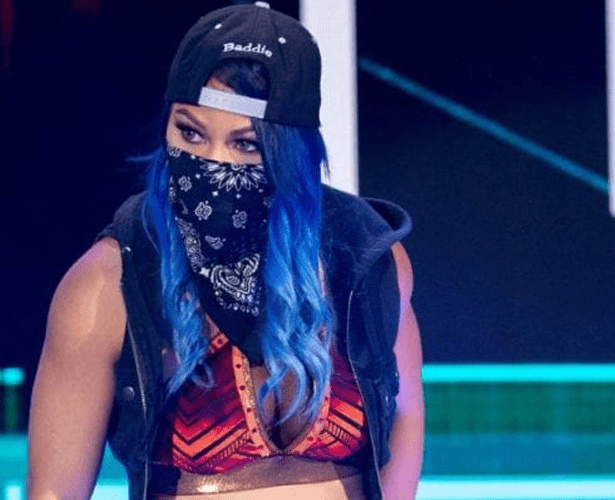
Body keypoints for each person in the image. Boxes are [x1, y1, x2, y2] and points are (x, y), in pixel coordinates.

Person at [26, 3, 424, 500]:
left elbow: (405, 417)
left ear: (291, 153)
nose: (211, 162)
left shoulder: (367, 260)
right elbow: (54, 492)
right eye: (190, 133)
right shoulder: (109, 284)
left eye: (245, 144)